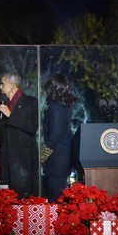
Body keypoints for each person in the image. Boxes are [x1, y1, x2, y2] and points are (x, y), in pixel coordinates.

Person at [42, 73, 75, 202]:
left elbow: (53, 138)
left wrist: (42, 157)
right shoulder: (66, 107)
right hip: (63, 159)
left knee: (55, 200)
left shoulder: (54, 108)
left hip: (56, 161)